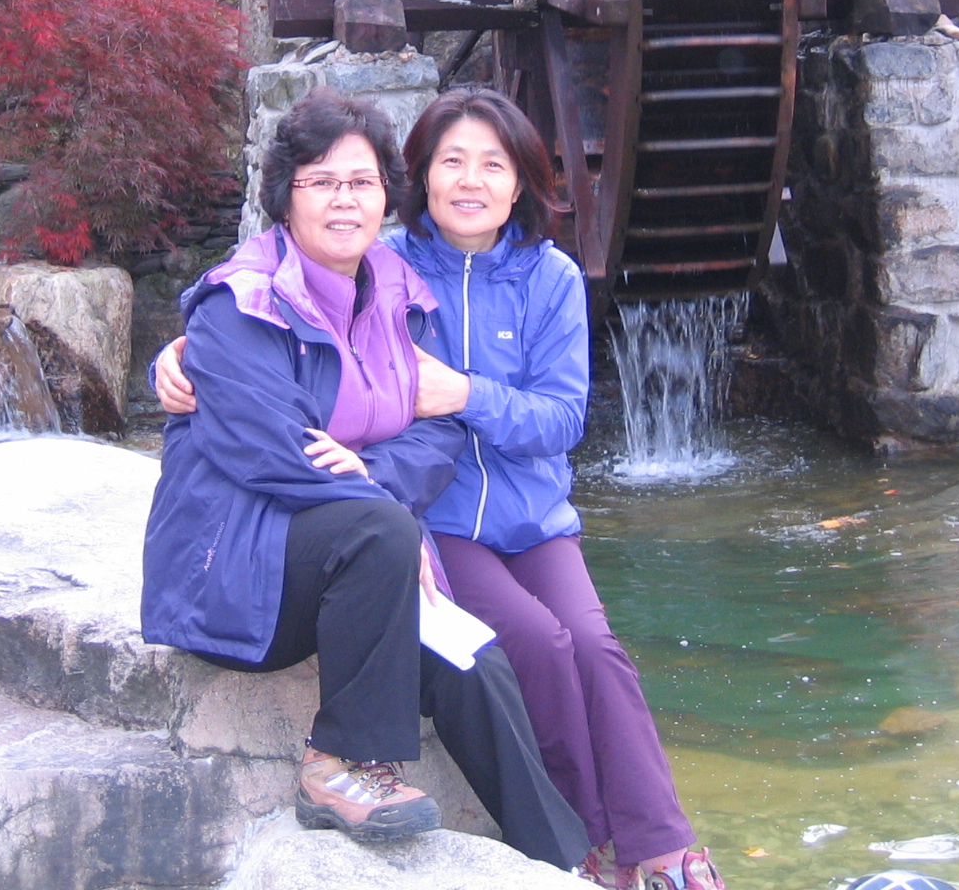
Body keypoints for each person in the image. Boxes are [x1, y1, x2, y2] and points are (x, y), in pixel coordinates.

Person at [158, 86, 724, 890]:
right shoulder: (373, 268)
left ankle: (633, 850)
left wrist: (458, 402)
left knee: (568, 651)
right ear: (419, 179)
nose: (470, 181)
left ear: (521, 182)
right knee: (534, 641)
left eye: (492, 165)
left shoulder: (501, 279)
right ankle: (576, 837)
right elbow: (265, 340)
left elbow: (534, 421)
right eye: (451, 161)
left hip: (521, 518)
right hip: (420, 522)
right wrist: (182, 352)